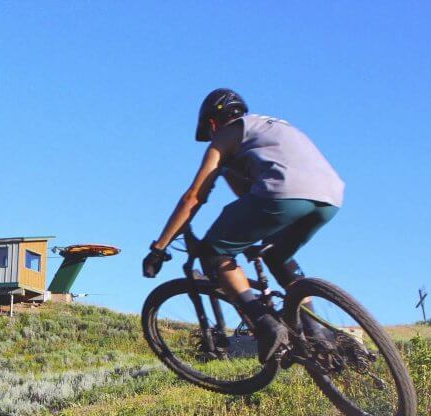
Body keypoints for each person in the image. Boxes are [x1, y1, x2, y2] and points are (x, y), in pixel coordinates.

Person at [143, 88, 345, 362]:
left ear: (213, 123)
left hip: (283, 193)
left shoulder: (226, 135)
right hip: (330, 196)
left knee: (215, 252)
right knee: (275, 254)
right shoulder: (273, 127)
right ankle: (315, 330)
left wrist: (159, 248)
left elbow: (194, 197)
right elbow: (248, 195)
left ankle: (264, 324)